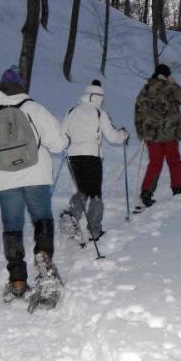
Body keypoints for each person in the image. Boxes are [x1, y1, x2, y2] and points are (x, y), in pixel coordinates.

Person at [0, 66, 67, 303]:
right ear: (20, 85)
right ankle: (43, 257)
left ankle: (17, 281)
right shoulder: (33, 108)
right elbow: (59, 144)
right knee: (41, 218)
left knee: (12, 226)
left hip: (4, 178)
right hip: (36, 174)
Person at [60, 80, 129, 244]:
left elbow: (62, 134)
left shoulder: (72, 111)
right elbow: (112, 136)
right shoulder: (99, 113)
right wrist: (124, 135)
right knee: (95, 193)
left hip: (73, 157)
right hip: (92, 157)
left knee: (82, 190)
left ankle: (71, 216)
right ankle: (94, 229)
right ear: (99, 97)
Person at [135, 64, 181, 208]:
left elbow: (138, 112)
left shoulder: (145, 90)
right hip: (169, 133)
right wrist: (174, 83)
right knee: (174, 161)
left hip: (151, 135)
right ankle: (177, 188)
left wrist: (141, 132)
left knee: (155, 163)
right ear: (167, 75)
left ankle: (146, 192)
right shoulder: (170, 87)